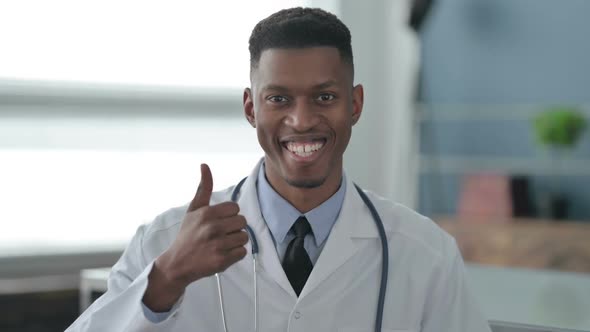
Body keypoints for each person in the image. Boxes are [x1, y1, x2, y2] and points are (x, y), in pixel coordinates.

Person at [66, 7, 491, 332]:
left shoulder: (426, 255)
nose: (302, 120)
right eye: (279, 99)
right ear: (251, 108)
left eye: (324, 97)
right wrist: (168, 277)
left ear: (355, 104)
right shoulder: (164, 242)